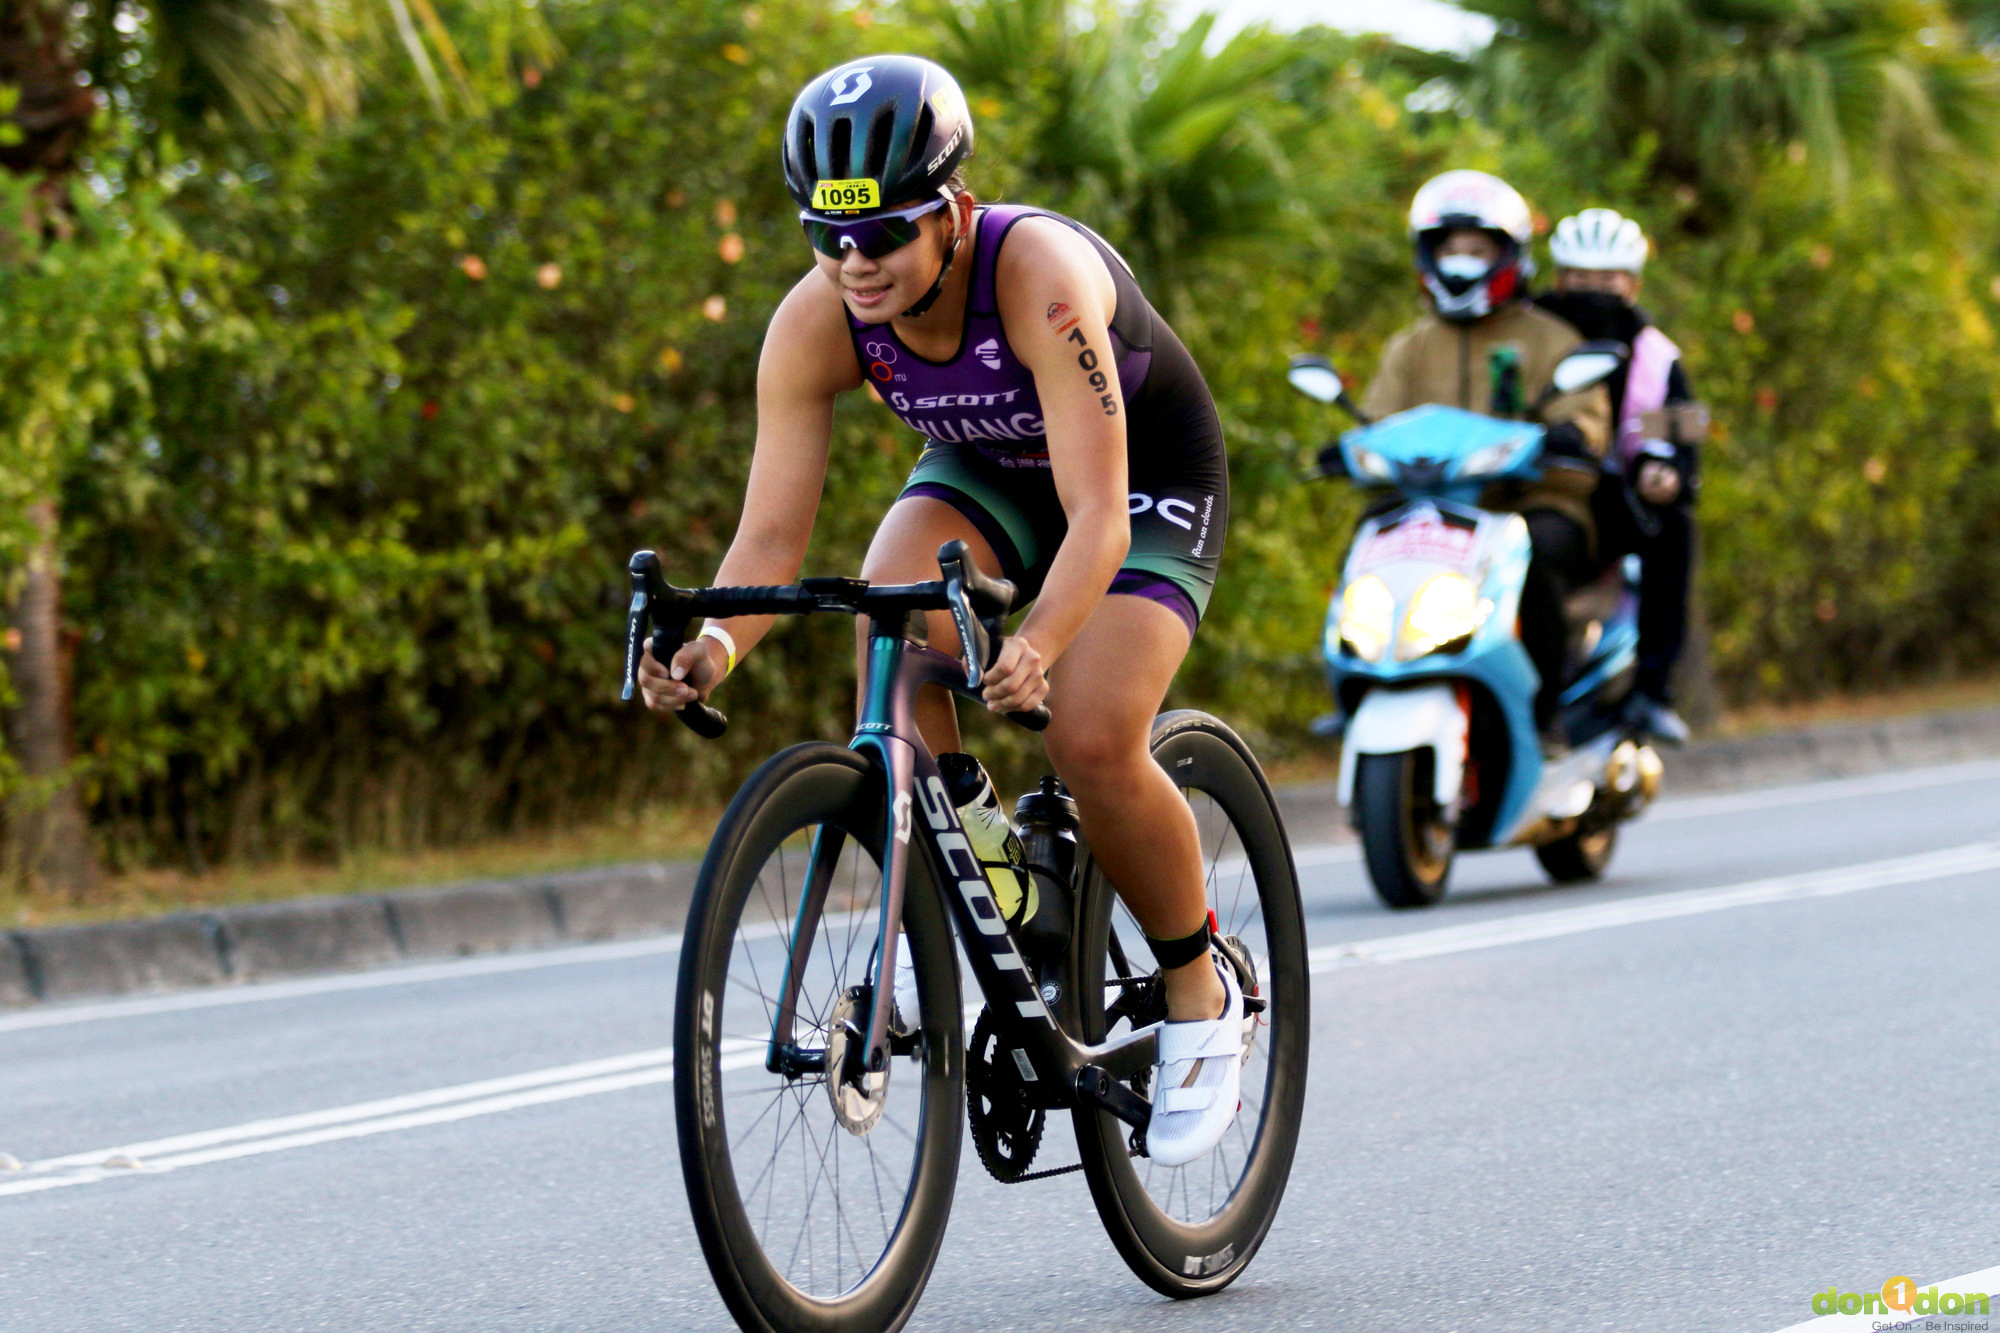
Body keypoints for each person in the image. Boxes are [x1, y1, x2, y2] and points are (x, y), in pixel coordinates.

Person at [633, 55, 1239, 1165]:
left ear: (952, 211)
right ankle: (976, 843)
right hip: (991, 470)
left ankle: (1199, 995)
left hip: (1140, 479)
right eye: (828, 234)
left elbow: (1097, 515)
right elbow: (771, 541)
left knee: (1090, 733)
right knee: (888, 603)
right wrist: (713, 645)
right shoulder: (816, 321)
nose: (853, 262)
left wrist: (1043, 643)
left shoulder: (1036, 274)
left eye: (884, 235)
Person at [1362, 170, 1611, 754]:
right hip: (1432, 511)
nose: (1461, 261)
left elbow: (1587, 411)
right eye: (1449, 247)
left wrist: (1573, 431)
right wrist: (1356, 448)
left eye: (1478, 248)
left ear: (1509, 254)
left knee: (1541, 554)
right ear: (1427, 254)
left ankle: (1546, 710)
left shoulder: (1550, 338)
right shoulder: (1410, 345)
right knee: (1364, 542)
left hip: (1531, 503)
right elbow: (1376, 419)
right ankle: (1363, 685)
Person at [1535, 208, 1702, 745]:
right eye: (1580, 280)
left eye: (1606, 282)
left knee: (1673, 529)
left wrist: (1666, 473)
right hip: (1539, 489)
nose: (1592, 293)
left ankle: (1652, 690)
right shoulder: (1530, 334)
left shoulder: (1657, 357)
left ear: (1631, 284)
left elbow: (1679, 431)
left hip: (1612, 502)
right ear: (1559, 279)